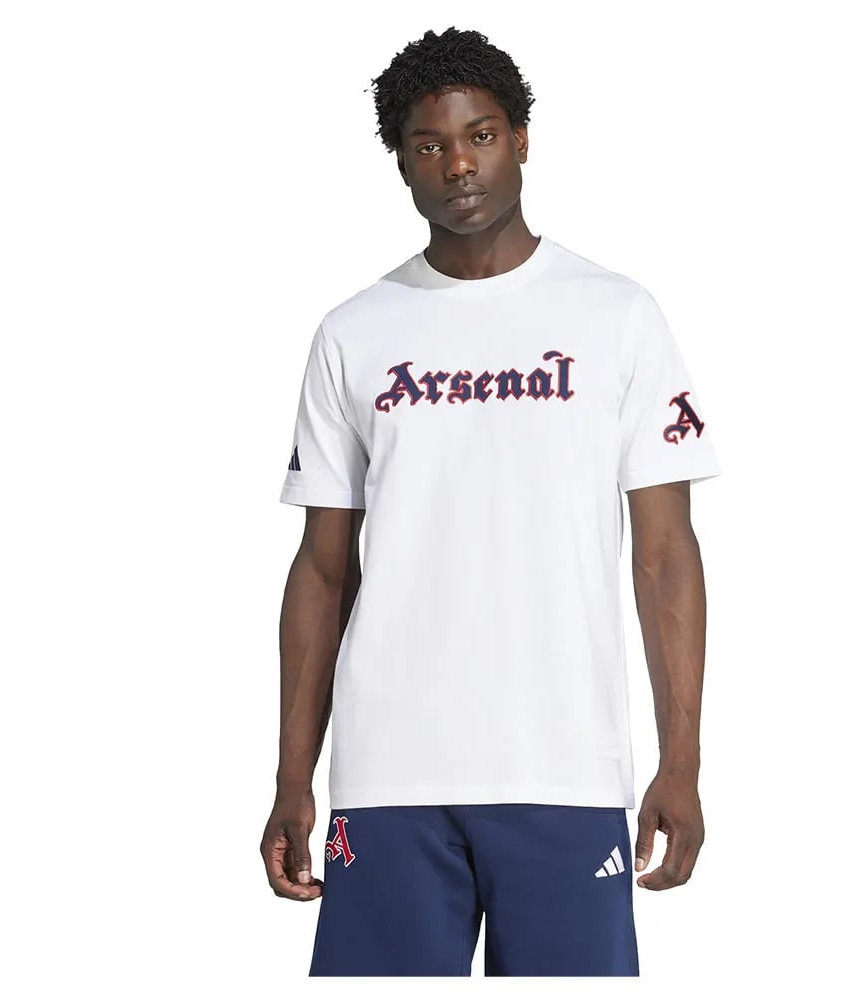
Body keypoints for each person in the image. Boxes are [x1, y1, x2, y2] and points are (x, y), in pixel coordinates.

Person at [259, 25, 721, 977]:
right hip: (387, 777)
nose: (459, 164)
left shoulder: (618, 315)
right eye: (428, 144)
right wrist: (292, 777)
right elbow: (322, 570)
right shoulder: (354, 332)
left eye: (480, 135)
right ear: (401, 163)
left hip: (566, 768)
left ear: (521, 139)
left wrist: (681, 760)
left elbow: (666, 554)